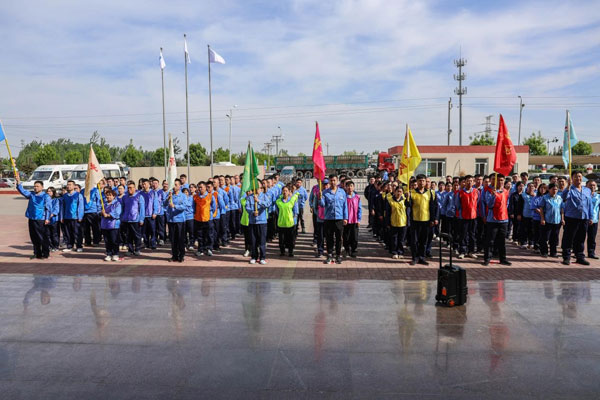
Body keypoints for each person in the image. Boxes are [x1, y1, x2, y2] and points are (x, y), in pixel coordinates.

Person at [16, 176, 51, 259]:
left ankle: (45, 253)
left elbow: (48, 208)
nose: (35, 188)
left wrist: (47, 218)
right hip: (32, 218)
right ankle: (37, 253)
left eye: (37, 186)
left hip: (41, 219)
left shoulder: (46, 196)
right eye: (34, 186)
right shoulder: (31, 194)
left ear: (42, 187)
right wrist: (18, 182)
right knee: (34, 237)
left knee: (42, 237)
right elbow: (23, 191)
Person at [561, 171, 592, 266]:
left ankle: (580, 256)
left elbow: (589, 204)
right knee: (569, 238)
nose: (578, 178)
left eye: (579, 176)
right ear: (572, 178)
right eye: (576, 177)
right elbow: (564, 197)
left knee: (581, 238)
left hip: (584, 217)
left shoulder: (587, 190)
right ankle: (566, 257)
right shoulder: (570, 189)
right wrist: (568, 186)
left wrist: (590, 216)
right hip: (572, 217)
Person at [407, 174, 438, 265]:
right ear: (417, 182)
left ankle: (422, 257)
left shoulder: (430, 193)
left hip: (426, 220)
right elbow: (408, 205)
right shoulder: (412, 192)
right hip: (415, 220)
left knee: (424, 241)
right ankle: (415, 257)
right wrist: (407, 198)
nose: (421, 182)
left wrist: (433, 219)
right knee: (414, 241)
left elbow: (433, 207)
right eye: (420, 181)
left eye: (423, 181)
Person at [482, 173, 511, 266]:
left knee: (502, 241)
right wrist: (493, 195)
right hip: (492, 219)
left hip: (504, 219)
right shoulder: (489, 191)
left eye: (502, 180)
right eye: (498, 180)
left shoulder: (506, 191)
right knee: (490, 240)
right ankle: (487, 258)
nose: (500, 182)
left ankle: (503, 259)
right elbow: (489, 204)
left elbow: (506, 204)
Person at [319, 175, 349, 264]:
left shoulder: (342, 192)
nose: (333, 182)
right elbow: (322, 205)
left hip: (339, 219)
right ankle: (329, 255)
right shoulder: (325, 192)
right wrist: (320, 198)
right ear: (329, 181)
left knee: (339, 238)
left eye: (334, 180)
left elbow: (345, 206)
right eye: (331, 180)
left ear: (337, 181)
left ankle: (338, 255)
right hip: (329, 218)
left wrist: (345, 218)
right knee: (329, 238)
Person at [246, 182, 271, 264]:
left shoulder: (264, 196)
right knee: (253, 241)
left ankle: (262, 257)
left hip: (262, 222)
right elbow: (247, 207)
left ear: (261, 188)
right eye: (255, 187)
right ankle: (254, 256)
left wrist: (258, 201)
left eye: (258, 187)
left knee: (262, 241)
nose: (257, 189)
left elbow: (267, 204)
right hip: (252, 222)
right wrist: (252, 212)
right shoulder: (250, 197)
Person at [455, 175, 479, 259]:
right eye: (468, 181)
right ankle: (462, 251)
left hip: (473, 217)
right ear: (464, 182)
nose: (469, 182)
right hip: (463, 217)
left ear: (473, 182)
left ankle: (471, 251)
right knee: (463, 235)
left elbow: (478, 203)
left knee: (472, 235)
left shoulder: (476, 191)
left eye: (471, 181)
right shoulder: (460, 192)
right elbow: (457, 205)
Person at [538, 183, 563, 258]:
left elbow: (562, 209)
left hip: (557, 220)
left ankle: (553, 252)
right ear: (549, 189)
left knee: (554, 238)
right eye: (553, 189)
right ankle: (544, 252)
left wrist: (562, 219)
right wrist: (542, 219)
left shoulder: (559, 198)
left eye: (556, 189)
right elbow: (541, 209)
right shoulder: (545, 197)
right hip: (547, 220)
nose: (554, 191)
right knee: (545, 237)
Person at [164, 179, 187, 262]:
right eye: (174, 184)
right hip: (171, 220)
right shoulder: (170, 194)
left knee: (180, 238)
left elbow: (184, 206)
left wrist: (175, 206)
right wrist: (167, 199)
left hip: (180, 220)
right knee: (173, 239)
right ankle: (174, 255)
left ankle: (181, 255)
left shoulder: (183, 196)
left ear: (180, 186)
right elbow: (164, 204)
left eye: (176, 184)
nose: (174, 186)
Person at [121, 181, 145, 256]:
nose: (129, 189)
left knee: (137, 236)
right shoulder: (124, 197)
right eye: (128, 188)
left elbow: (142, 209)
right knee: (128, 236)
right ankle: (130, 249)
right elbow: (122, 208)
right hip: (126, 219)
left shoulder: (139, 196)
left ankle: (137, 249)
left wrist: (141, 219)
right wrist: (122, 218)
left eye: (131, 188)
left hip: (135, 219)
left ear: (134, 188)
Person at [193, 182, 216, 257]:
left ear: (205, 187)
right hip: (198, 219)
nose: (200, 189)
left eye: (201, 187)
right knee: (200, 235)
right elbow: (193, 207)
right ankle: (200, 249)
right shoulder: (195, 197)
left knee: (209, 234)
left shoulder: (210, 196)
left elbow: (214, 206)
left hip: (208, 218)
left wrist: (210, 213)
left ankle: (209, 249)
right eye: (199, 187)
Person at [61, 180, 84, 253]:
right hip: (66, 217)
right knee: (68, 233)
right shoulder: (65, 196)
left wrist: (80, 216)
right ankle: (70, 246)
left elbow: (80, 206)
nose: (68, 186)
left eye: (70, 185)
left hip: (75, 217)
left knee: (77, 232)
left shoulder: (78, 195)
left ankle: (79, 246)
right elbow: (62, 207)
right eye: (67, 185)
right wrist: (62, 217)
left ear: (74, 186)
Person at [276, 185, 299, 257]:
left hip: (290, 223)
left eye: (286, 191)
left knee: (290, 239)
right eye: (283, 191)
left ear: (289, 192)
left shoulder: (292, 201)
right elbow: (277, 211)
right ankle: (282, 251)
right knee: (281, 239)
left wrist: (293, 218)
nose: (285, 192)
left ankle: (290, 251)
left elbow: (295, 212)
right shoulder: (278, 201)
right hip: (281, 223)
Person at [100, 189, 122, 261]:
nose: (108, 197)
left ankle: (115, 254)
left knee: (114, 240)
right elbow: (99, 212)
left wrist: (108, 215)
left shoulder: (117, 204)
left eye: (110, 195)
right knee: (107, 241)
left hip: (113, 225)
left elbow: (117, 213)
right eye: (107, 195)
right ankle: (109, 253)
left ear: (114, 196)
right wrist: (101, 212)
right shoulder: (104, 204)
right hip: (105, 225)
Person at [386, 186, 407, 259]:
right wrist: (388, 223)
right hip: (393, 222)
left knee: (401, 239)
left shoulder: (405, 200)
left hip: (403, 222)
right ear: (394, 192)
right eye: (397, 191)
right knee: (394, 239)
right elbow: (388, 213)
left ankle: (400, 252)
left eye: (400, 192)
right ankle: (394, 252)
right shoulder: (390, 200)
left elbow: (408, 211)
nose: (399, 193)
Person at [343, 180, 361, 258]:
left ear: (353, 187)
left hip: (355, 220)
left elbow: (359, 209)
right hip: (346, 220)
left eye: (351, 186)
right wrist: (344, 218)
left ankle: (354, 250)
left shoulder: (357, 197)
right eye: (348, 186)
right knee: (346, 236)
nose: (350, 188)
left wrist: (359, 219)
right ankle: (347, 250)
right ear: (345, 187)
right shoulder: (344, 197)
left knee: (354, 237)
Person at [140, 179, 159, 250]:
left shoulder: (153, 192)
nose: (143, 185)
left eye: (145, 184)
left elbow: (156, 203)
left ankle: (153, 244)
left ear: (148, 184)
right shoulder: (140, 193)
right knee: (145, 231)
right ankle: (146, 244)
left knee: (153, 231)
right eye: (143, 184)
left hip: (151, 215)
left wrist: (155, 212)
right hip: (143, 215)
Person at [531, 183, 547, 252]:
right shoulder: (535, 198)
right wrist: (542, 213)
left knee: (543, 234)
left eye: (544, 188)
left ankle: (542, 247)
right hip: (537, 218)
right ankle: (536, 247)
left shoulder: (547, 197)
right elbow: (535, 208)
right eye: (541, 188)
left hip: (546, 219)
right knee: (537, 233)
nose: (543, 189)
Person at [519, 183, 536, 249]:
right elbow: (519, 206)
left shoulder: (536, 195)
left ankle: (531, 242)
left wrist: (534, 197)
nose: (531, 188)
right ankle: (523, 243)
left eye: (532, 186)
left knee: (532, 230)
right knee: (524, 229)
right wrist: (519, 214)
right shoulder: (523, 195)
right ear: (527, 187)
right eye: (530, 186)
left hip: (533, 216)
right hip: (525, 215)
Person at [587, 180, 599, 260]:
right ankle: (578, 252)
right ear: (586, 186)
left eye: (594, 185)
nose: (592, 187)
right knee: (580, 237)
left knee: (592, 237)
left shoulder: (598, 197)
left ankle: (591, 253)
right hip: (584, 219)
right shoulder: (584, 195)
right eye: (590, 185)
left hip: (594, 220)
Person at [45, 187, 61, 252]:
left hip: (54, 219)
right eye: (48, 191)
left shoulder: (56, 200)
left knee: (54, 234)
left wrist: (52, 214)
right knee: (48, 234)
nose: (48, 192)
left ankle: (56, 246)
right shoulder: (45, 199)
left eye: (50, 191)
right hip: (46, 219)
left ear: (53, 192)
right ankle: (50, 246)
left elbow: (57, 209)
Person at [182, 187, 195, 251]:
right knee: (184, 232)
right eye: (184, 192)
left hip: (190, 217)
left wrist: (184, 204)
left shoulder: (191, 198)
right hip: (183, 218)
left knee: (191, 232)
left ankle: (191, 244)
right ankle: (185, 244)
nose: (185, 193)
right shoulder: (181, 199)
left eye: (186, 192)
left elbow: (189, 205)